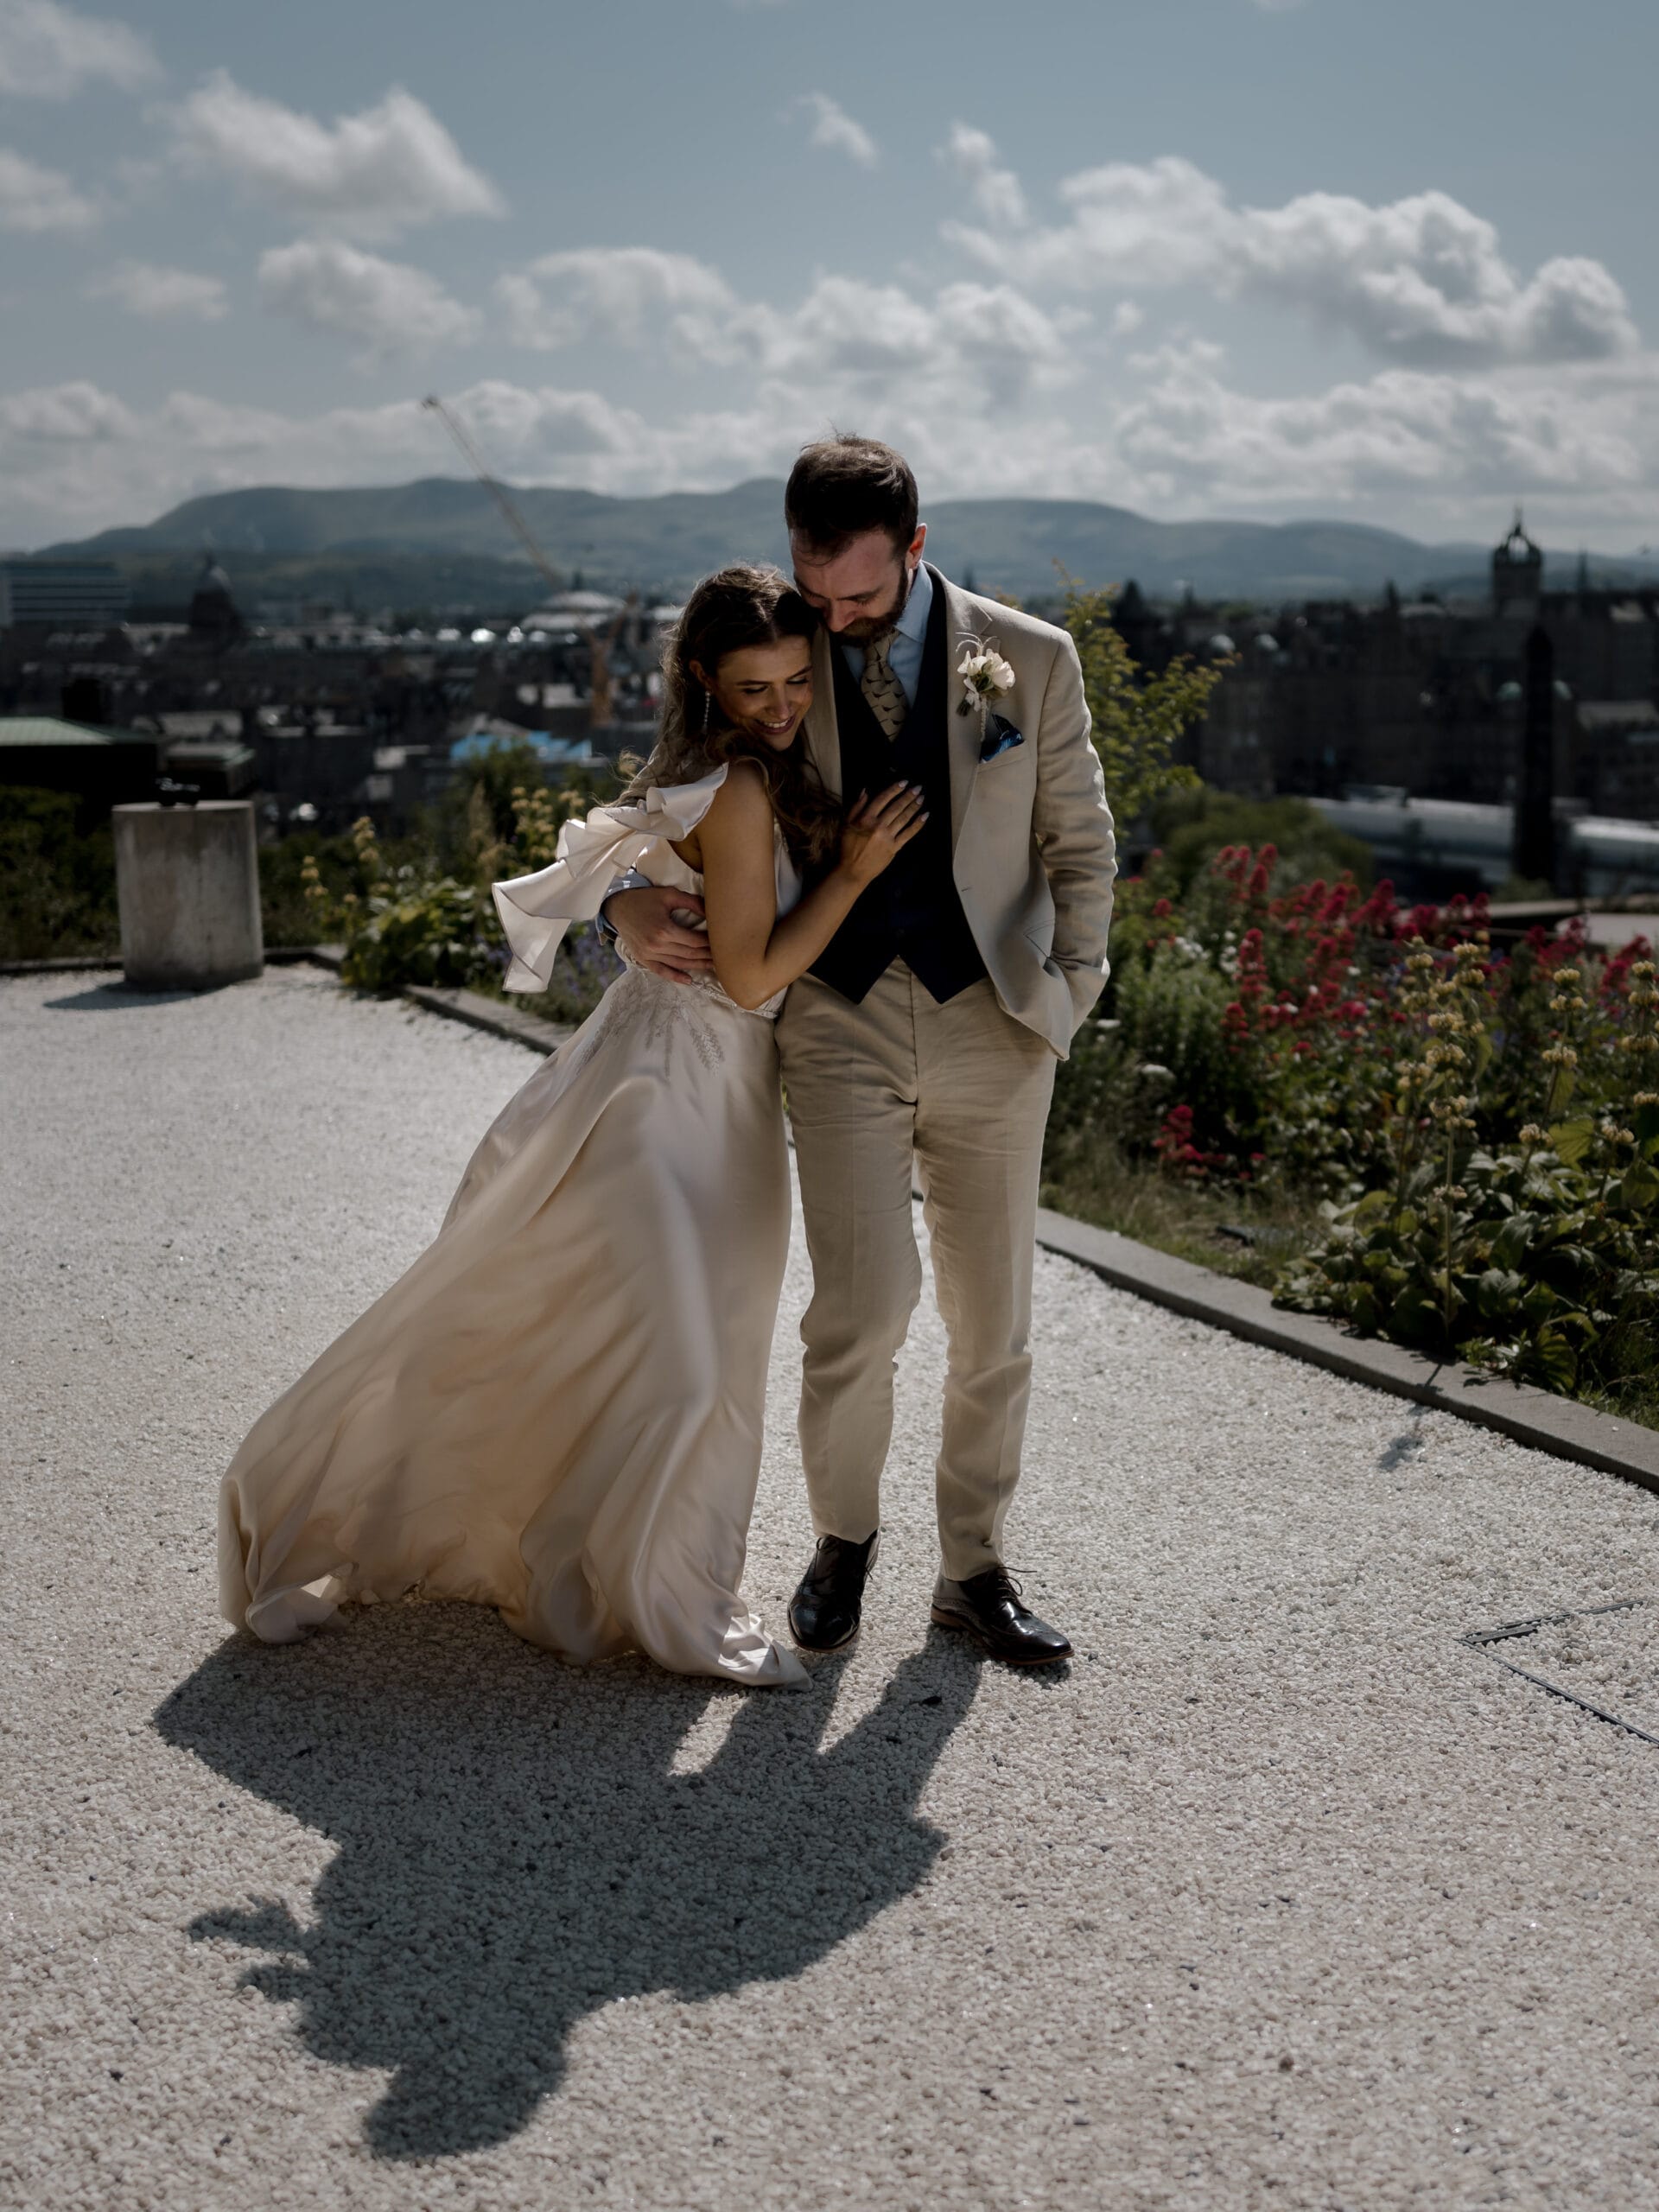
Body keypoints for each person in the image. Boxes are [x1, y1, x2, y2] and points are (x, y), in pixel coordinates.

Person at [219, 566, 925, 1687]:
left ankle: (600, 1561)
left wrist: (622, 904)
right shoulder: (737, 787)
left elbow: (607, 853)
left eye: (797, 680)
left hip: (690, 1092)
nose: (784, 704)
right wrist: (845, 876)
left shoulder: (718, 769)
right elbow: (745, 981)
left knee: (632, 1336)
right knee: (692, 1361)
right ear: (703, 680)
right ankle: (649, 1588)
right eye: (755, 687)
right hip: (675, 1098)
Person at [604, 437, 1116, 1667]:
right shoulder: (780, 654)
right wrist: (620, 903)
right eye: (814, 589)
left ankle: (974, 1570)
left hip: (995, 1021)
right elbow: (657, 804)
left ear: (919, 552)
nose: (833, 622)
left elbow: (1083, 845)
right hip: (833, 1023)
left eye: (862, 599)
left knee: (993, 1319)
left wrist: (1066, 998)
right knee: (859, 1312)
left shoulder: (1028, 660)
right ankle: (843, 1541)